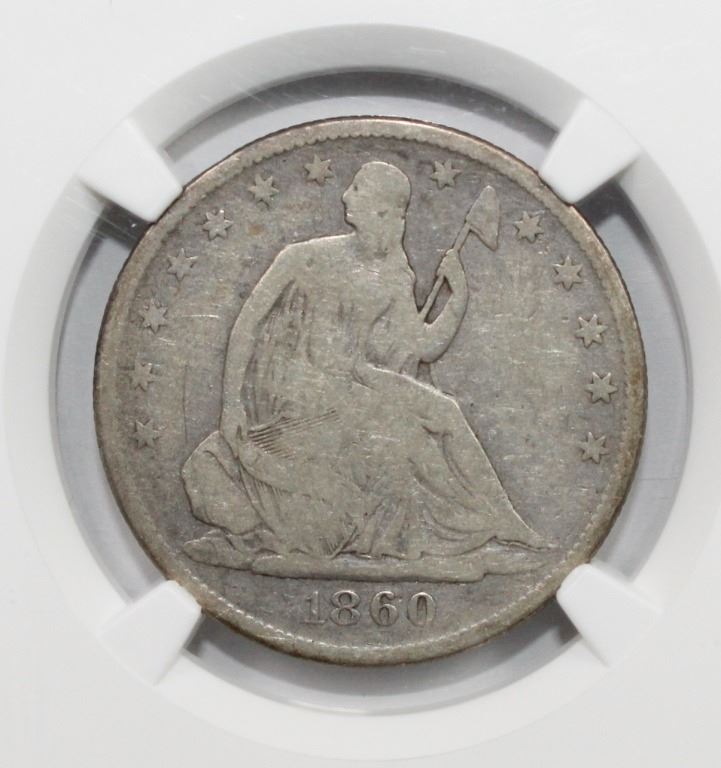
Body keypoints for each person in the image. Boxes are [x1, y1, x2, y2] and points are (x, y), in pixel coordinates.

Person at [182, 161, 543, 573]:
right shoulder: (303, 258)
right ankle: (481, 524)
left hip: (353, 382)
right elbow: (247, 325)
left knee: (445, 410)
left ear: (384, 211)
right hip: (304, 395)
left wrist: (457, 296)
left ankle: (502, 522)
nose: (345, 196)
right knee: (411, 431)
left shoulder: (395, 273)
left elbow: (423, 347)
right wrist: (232, 403)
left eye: (356, 189)